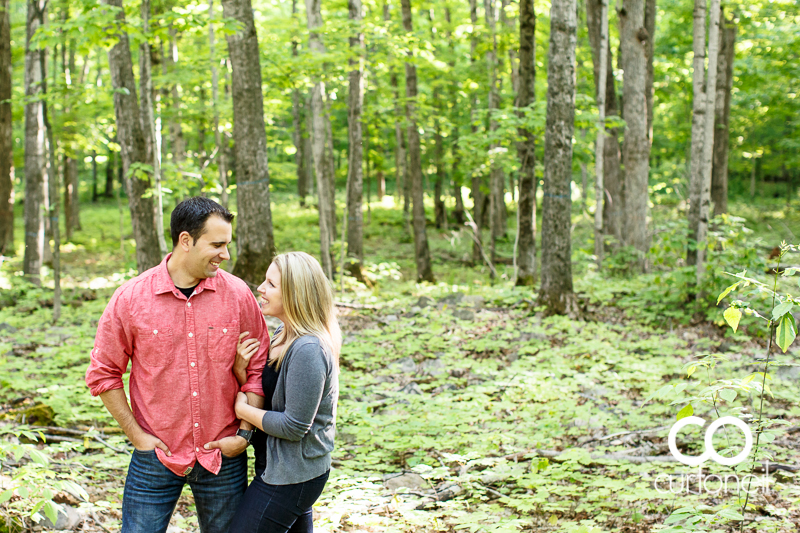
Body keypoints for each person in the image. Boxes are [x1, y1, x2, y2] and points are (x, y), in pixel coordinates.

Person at [85, 197, 270, 533]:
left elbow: (257, 369)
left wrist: (244, 436)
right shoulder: (131, 299)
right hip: (155, 455)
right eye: (217, 244)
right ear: (186, 241)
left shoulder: (238, 295)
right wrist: (137, 436)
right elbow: (103, 374)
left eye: (227, 244)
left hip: (222, 455)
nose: (225, 255)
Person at [229, 252, 341, 533]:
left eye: (271, 284)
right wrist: (242, 371)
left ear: (294, 293)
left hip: (294, 475)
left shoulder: (308, 350)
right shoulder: (282, 332)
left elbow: (294, 426)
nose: (260, 288)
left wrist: (243, 411)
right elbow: (273, 392)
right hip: (278, 465)